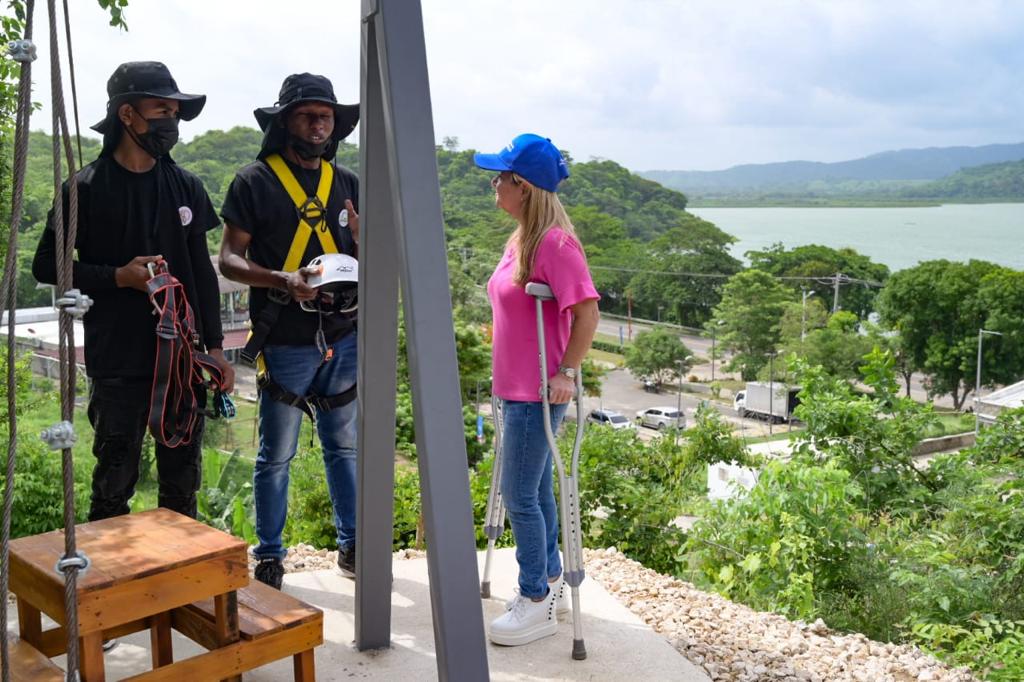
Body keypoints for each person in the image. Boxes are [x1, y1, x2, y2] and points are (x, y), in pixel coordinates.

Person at [32, 61, 233, 521]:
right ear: (127, 115)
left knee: (182, 485)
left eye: (175, 112)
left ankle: (178, 587)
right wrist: (117, 277)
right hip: (117, 361)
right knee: (113, 483)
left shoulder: (186, 186)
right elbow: (46, 265)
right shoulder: (83, 190)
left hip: (181, 361)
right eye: (161, 109)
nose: (172, 121)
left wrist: (217, 348)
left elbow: (202, 272)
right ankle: (110, 586)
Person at [219, 73, 360, 590]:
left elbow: (362, 255)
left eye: (325, 114)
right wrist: (280, 278)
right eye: (307, 114)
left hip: (343, 331)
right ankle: (271, 554)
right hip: (284, 335)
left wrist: (366, 244)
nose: (318, 123)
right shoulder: (253, 181)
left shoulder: (347, 183)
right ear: (285, 122)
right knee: (276, 453)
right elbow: (229, 259)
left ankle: (353, 545)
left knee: (344, 446)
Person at [475, 134, 600, 646]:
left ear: (522, 186)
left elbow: (587, 311)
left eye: (501, 177)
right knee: (536, 492)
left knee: (519, 496)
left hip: (536, 391)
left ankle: (534, 600)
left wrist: (567, 372)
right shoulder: (521, 238)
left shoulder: (555, 244)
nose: (494, 184)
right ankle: (548, 579)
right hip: (513, 387)